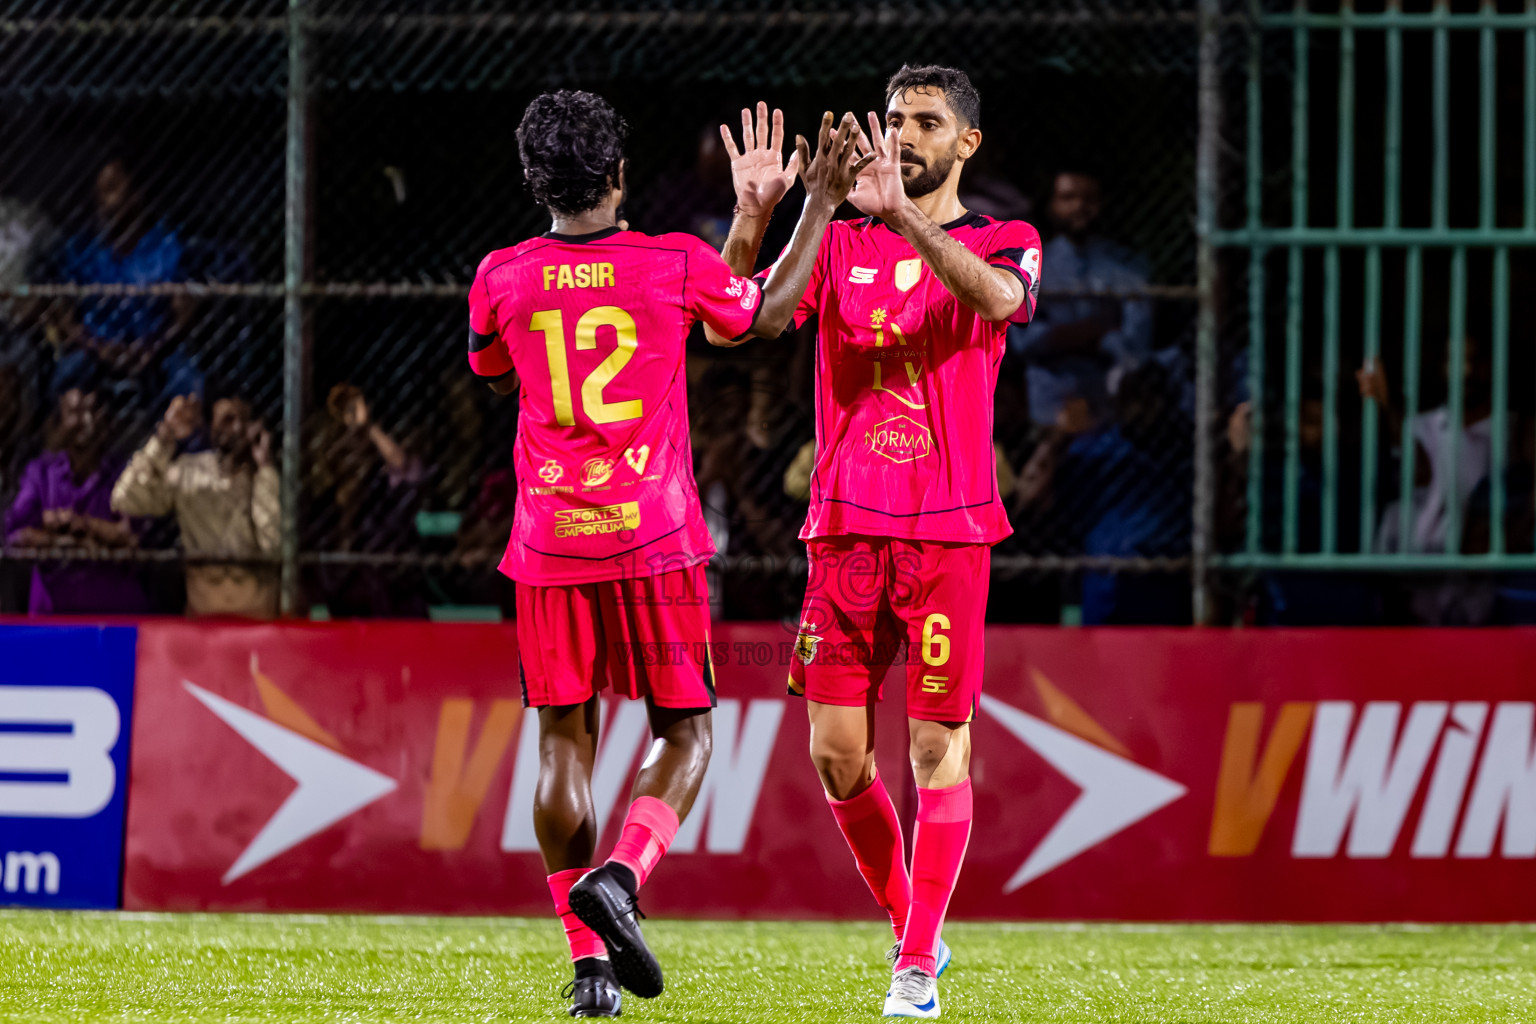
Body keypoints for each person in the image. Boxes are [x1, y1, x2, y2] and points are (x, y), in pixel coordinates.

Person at [467, 90, 867, 1017]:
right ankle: (623, 873)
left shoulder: (501, 277)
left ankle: (588, 968)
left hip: (549, 543)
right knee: (684, 732)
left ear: (535, 182)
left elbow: (493, 369)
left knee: (563, 742)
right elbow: (757, 317)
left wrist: (748, 215)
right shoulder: (670, 263)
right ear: (619, 175)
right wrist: (815, 204)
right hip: (654, 539)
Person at [710, 66, 1041, 1018]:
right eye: (895, 118)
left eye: (926, 122)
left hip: (948, 532)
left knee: (939, 748)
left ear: (965, 144)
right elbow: (747, 316)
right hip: (843, 532)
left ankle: (915, 968)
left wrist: (906, 220)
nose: (903, 133)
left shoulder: (1000, 239)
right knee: (835, 757)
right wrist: (774, 213)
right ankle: (918, 931)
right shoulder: (840, 239)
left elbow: (999, 303)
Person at [111, 393, 279, 617]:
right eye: (228, 420)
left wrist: (265, 468)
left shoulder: (265, 475)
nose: (238, 428)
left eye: (245, 420)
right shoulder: (189, 472)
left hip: (259, 618)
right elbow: (126, 498)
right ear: (211, 427)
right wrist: (164, 438)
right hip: (203, 619)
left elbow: (274, 544)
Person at [50, 154, 199, 407]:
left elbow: (184, 311)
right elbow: (63, 314)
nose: (103, 201)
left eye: (112, 189)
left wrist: (153, 346)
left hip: (155, 347)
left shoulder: (166, 246)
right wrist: (97, 347)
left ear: (136, 195)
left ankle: (187, 443)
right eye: (99, 191)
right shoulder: (82, 248)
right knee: (67, 374)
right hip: (95, 348)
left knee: (186, 378)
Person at [1009, 169, 1152, 428]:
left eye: (1089, 199)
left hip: (1109, 403)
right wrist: (1095, 332)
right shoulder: (1030, 264)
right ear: (1052, 205)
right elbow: (1023, 341)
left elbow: (1136, 344)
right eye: (1068, 198)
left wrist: (1081, 338)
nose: (1079, 207)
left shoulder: (1126, 266)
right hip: (1048, 402)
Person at [4, 386, 148, 615]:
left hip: (117, 611)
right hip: (52, 613)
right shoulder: (41, 472)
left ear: (108, 422)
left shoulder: (126, 475)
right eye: (76, 412)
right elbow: (16, 534)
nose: (87, 421)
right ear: (60, 422)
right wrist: (63, 543)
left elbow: (132, 538)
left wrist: (83, 524)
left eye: (94, 411)